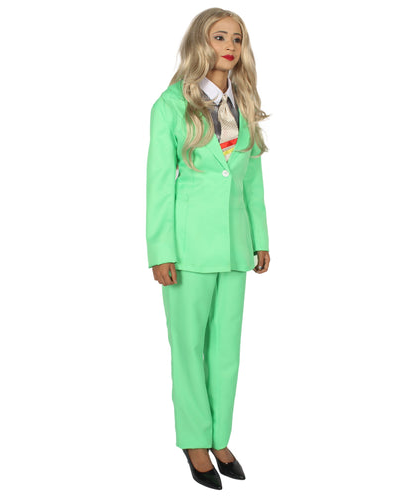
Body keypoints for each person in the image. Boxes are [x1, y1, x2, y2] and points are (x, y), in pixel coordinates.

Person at [146, 7, 270, 490]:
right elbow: (160, 184)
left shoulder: (244, 102)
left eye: (237, 38)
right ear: (201, 41)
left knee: (226, 351)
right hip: (187, 250)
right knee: (188, 348)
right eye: (220, 37)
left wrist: (260, 238)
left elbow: (251, 180)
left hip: (235, 248)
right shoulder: (171, 104)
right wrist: (161, 250)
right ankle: (194, 440)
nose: (230, 46)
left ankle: (220, 437)